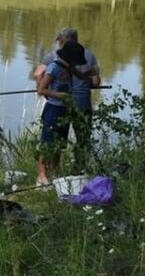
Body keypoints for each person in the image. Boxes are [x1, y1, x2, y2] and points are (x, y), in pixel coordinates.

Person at [36, 41, 93, 185]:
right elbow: (42, 90)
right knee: (47, 143)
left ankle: (55, 173)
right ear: (69, 58)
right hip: (53, 109)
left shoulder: (69, 68)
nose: (76, 63)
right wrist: (61, 96)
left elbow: (81, 75)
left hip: (65, 110)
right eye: (75, 60)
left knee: (60, 143)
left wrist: (91, 72)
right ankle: (42, 176)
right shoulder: (54, 67)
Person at [33, 27, 99, 85]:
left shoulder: (53, 56)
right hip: (81, 97)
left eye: (60, 40)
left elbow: (38, 74)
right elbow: (95, 83)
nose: (59, 42)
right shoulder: (90, 55)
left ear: (63, 40)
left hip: (59, 96)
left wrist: (43, 89)